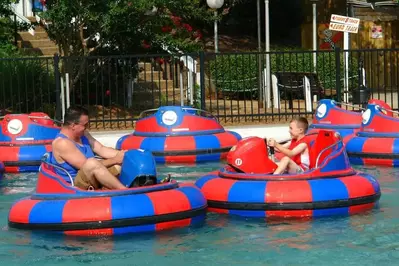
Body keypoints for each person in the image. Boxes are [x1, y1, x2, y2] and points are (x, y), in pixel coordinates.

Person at [50, 105, 127, 190]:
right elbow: (87, 165)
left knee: (120, 165)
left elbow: (102, 149)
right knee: (92, 163)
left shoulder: (83, 134)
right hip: (77, 184)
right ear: (73, 125)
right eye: (85, 125)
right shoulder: (62, 143)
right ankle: (124, 191)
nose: (87, 127)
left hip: (93, 175)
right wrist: (115, 160)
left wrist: (124, 154)